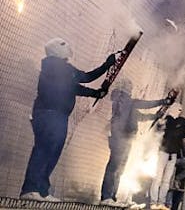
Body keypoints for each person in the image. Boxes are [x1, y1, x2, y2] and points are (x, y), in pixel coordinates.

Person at [20, 37, 118, 202]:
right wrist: (108, 64)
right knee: (44, 151)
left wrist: (96, 93)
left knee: (51, 152)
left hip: (54, 115)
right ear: (58, 50)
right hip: (51, 114)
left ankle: (41, 190)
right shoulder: (59, 67)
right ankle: (30, 189)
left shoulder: (55, 69)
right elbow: (86, 77)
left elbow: (72, 88)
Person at [100, 78, 168, 206]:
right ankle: (106, 196)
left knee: (119, 168)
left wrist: (155, 116)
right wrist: (163, 101)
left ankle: (111, 197)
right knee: (114, 167)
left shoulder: (125, 104)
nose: (131, 90)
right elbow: (144, 105)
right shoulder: (124, 100)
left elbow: (139, 116)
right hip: (121, 137)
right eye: (129, 87)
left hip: (124, 138)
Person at [149, 103, 185, 210]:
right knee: (158, 179)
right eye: (178, 109)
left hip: (173, 154)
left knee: (166, 180)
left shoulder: (177, 123)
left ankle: (161, 202)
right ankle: (153, 202)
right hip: (163, 153)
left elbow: (183, 132)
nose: (179, 111)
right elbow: (184, 126)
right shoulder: (169, 121)